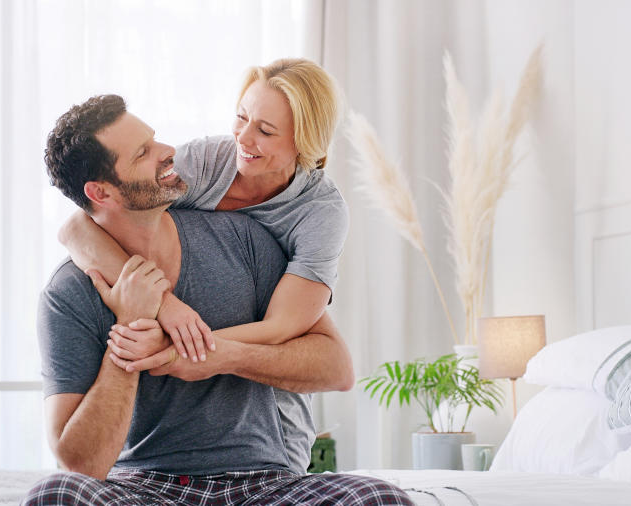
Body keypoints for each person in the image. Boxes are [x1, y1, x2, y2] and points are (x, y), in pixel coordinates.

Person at [24, 95, 412, 505]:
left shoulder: (243, 241)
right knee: (55, 494)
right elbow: (81, 466)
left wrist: (216, 355)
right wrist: (131, 327)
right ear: (100, 192)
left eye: (154, 140)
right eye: (143, 153)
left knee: (377, 497)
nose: (168, 152)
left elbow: (334, 365)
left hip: (265, 484)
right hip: (142, 487)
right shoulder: (67, 295)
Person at [58, 58, 347, 367]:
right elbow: (78, 226)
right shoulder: (207, 161)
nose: (243, 138)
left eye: (265, 131)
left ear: (304, 141)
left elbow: (281, 327)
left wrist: (174, 343)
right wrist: (165, 306)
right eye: (241, 117)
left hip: (264, 372)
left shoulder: (321, 212)